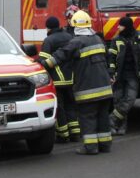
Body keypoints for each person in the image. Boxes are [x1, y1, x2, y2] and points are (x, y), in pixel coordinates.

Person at [39, 10, 114, 155]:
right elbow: (109, 58)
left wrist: (42, 65)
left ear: (74, 26)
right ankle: (105, 145)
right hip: (105, 88)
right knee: (102, 117)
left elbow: (59, 56)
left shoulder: (76, 42)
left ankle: (91, 147)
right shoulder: (99, 40)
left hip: (88, 89)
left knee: (88, 117)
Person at [108, 16, 140, 135]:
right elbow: (111, 58)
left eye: (121, 25)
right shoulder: (116, 40)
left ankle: (111, 120)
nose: (118, 27)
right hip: (119, 76)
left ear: (127, 26)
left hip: (133, 76)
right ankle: (120, 127)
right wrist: (111, 73)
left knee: (130, 99)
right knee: (118, 100)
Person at [39, 16, 79, 143]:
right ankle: (75, 133)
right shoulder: (69, 37)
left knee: (60, 107)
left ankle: (63, 135)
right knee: (71, 106)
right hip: (72, 79)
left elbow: (43, 61)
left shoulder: (49, 40)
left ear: (49, 27)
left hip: (58, 81)